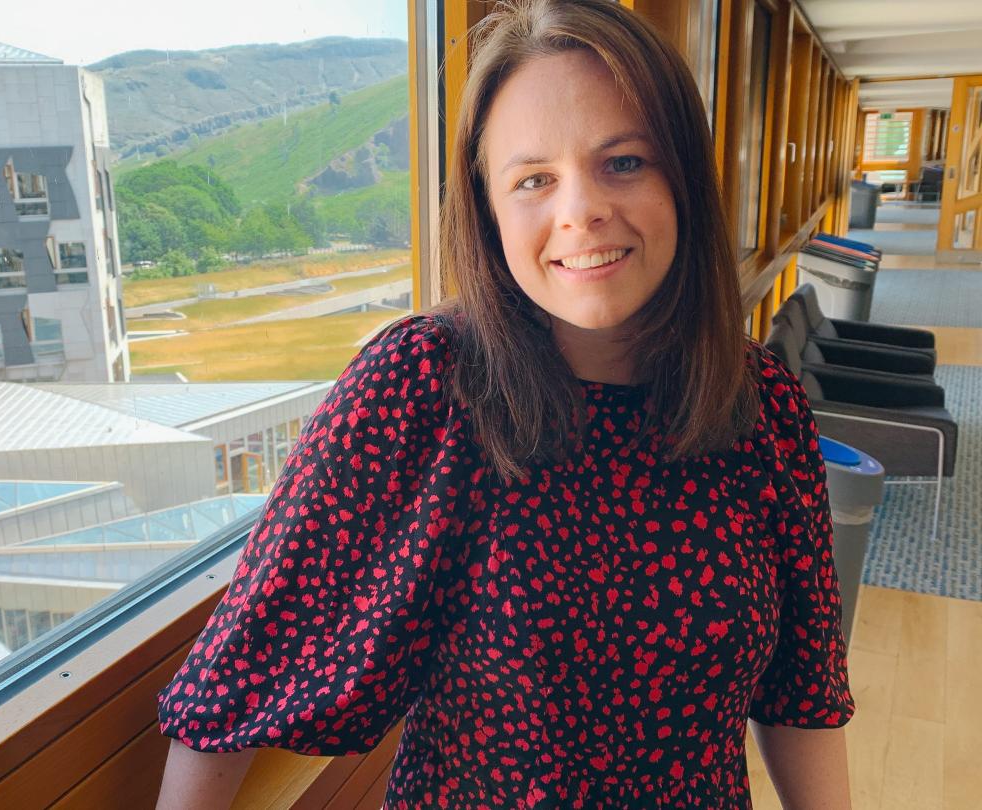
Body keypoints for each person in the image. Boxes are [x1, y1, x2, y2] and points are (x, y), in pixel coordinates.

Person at [155, 1, 855, 807]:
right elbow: (234, 682)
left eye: (623, 162)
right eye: (533, 179)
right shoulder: (419, 386)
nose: (580, 209)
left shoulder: (760, 401)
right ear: (488, 209)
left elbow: (804, 690)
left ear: (685, 179)